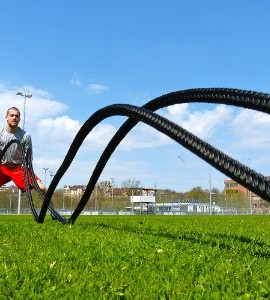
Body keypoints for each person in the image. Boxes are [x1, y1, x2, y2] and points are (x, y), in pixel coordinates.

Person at [0, 107, 45, 193]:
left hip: (18, 168)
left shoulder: (25, 136)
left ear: (19, 119)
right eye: (11, 115)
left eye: (16, 116)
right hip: (3, 167)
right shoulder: (0, 133)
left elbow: (29, 155)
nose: (14, 118)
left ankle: (49, 205)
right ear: (6, 117)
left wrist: (27, 166)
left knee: (42, 188)